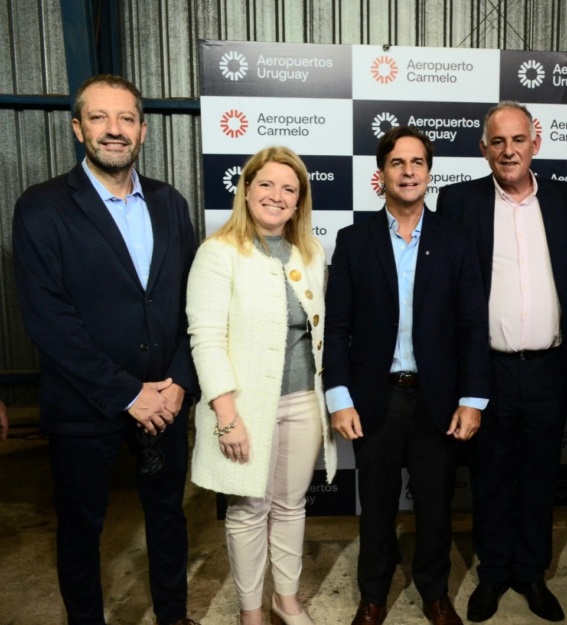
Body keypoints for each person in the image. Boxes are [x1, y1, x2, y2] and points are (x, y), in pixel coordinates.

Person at [12, 74, 200, 625]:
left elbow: (193, 302)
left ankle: (173, 616)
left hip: (165, 401)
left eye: (126, 119)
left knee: (167, 516)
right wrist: (128, 394)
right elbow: (49, 321)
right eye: (99, 117)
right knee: (81, 529)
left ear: (143, 130)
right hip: (84, 405)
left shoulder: (170, 203)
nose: (113, 130)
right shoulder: (42, 207)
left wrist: (179, 383)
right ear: (78, 128)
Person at [324, 126, 490, 625]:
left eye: (418, 162)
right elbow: (337, 326)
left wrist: (473, 399)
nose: (409, 171)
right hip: (375, 398)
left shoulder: (456, 239)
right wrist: (339, 396)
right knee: (375, 507)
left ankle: (434, 592)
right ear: (381, 174)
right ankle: (373, 595)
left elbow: (473, 326)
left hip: (437, 400)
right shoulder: (353, 240)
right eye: (397, 162)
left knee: (435, 506)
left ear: (429, 173)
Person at [436, 101, 567, 623]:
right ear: (483, 149)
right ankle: (494, 571)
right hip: (487, 371)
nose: (508, 150)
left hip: (548, 368)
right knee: (491, 477)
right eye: (497, 141)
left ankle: (531, 572)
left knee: (541, 476)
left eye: (518, 139)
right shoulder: (458, 201)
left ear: (535, 143)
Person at [187, 146, 336, 625]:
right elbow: (206, 338)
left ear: (299, 200)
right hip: (245, 407)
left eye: (289, 189)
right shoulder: (217, 252)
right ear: (247, 189)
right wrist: (227, 417)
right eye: (267, 184)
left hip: (303, 402)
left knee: (291, 507)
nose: (277, 195)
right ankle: (250, 611)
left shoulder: (310, 253)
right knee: (249, 510)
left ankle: (285, 600)